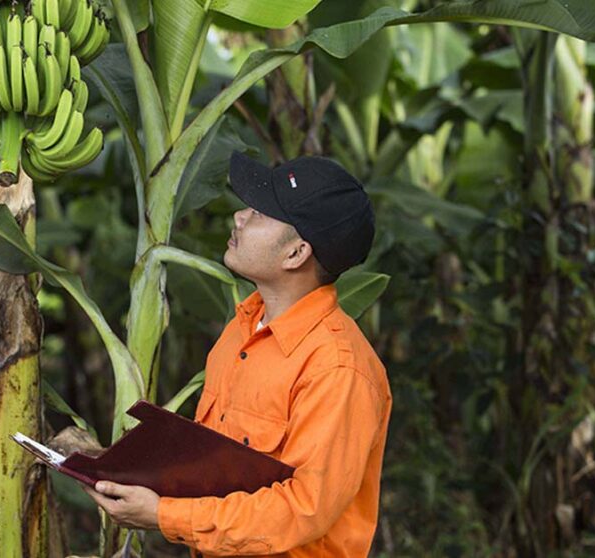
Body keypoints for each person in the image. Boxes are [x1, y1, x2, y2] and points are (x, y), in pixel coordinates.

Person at [83, 153, 392, 557]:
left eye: (260, 213)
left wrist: (165, 515)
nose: (239, 217)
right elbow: (214, 463)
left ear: (296, 254)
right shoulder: (243, 326)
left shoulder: (338, 369)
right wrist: (129, 473)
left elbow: (302, 509)